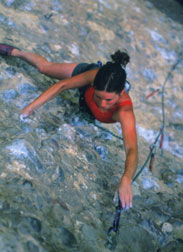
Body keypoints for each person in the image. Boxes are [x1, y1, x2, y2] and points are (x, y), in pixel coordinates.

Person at [0, 44, 138, 210]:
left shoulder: (125, 111)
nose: (102, 104)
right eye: (98, 96)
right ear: (94, 86)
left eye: (108, 100)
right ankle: (17, 52)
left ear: (120, 93)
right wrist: (30, 108)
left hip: (91, 103)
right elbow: (62, 85)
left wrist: (126, 179)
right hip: (84, 83)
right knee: (44, 68)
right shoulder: (94, 75)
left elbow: (132, 150)